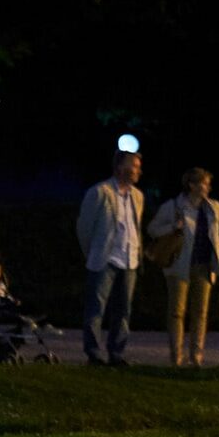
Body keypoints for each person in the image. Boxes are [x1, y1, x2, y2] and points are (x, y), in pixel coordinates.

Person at [147, 168, 219, 367]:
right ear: (192, 185)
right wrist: (173, 227)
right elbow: (152, 228)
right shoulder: (173, 207)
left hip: (204, 266)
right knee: (177, 312)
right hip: (178, 265)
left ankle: (196, 357)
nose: (207, 188)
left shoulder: (212, 208)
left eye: (207, 184)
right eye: (204, 183)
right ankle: (176, 357)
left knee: (200, 312)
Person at [76, 151, 144, 366]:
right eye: (133, 166)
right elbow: (84, 227)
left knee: (123, 310)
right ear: (119, 167)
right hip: (105, 258)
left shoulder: (137, 196)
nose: (137, 171)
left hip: (129, 259)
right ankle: (94, 352)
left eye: (138, 166)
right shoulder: (100, 192)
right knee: (96, 307)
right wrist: (94, 253)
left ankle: (117, 352)